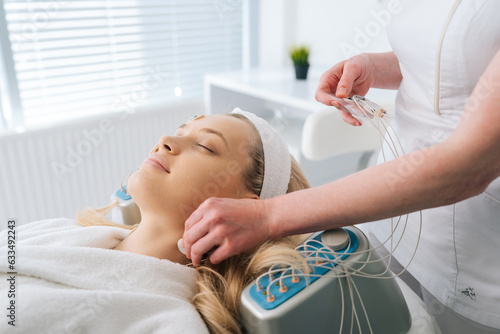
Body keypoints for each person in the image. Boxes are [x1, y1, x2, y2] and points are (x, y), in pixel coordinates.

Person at [182, 1, 500, 333]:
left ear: (252, 197)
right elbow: (451, 62)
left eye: (206, 145)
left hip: (474, 257)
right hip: (391, 220)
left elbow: (469, 165)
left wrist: (268, 217)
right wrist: (376, 67)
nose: (164, 144)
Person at [0, 110, 311, 334]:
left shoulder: (168, 322)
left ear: (243, 211)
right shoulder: (55, 230)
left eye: (204, 145)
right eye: (180, 130)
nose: (165, 139)